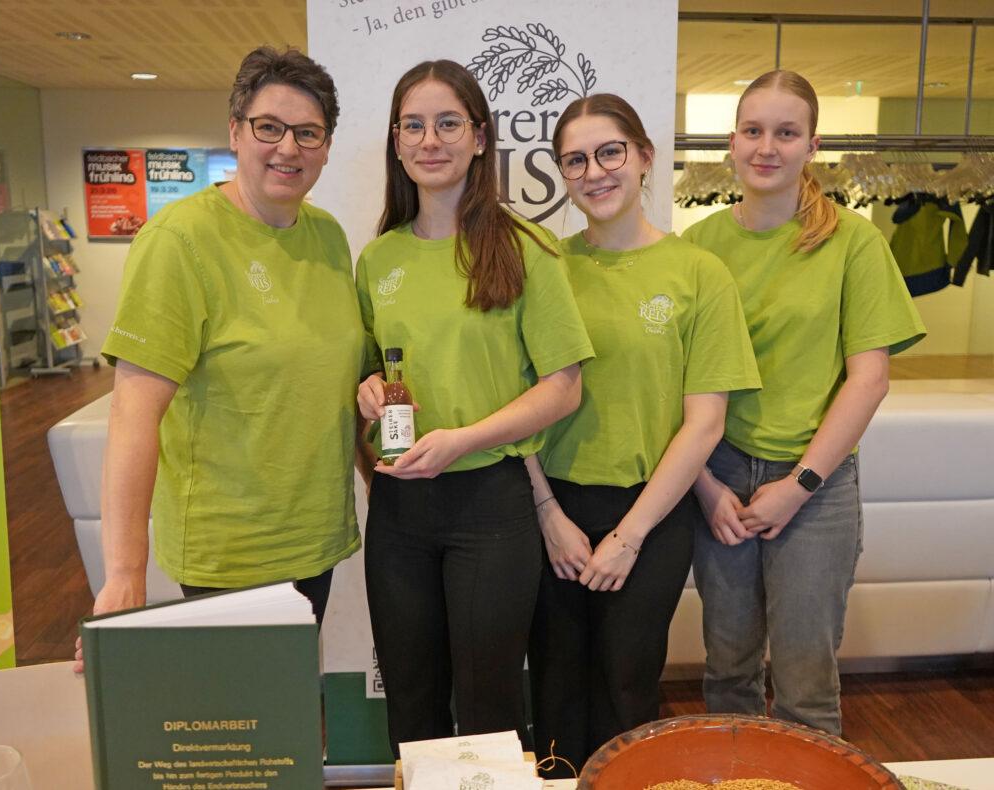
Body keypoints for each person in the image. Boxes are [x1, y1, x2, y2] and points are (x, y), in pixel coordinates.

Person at [77, 47, 364, 669]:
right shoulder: (180, 240)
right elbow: (132, 415)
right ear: (235, 132)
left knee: (290, 705)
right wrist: (123, 574)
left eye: (308, 132)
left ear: (325, 147)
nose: (287, 147)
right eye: (269, 127)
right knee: (247, 720)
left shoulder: (327, 237)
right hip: (230, 554)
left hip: (314, 538)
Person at [354, 59, 594, 755]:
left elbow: (564, 386)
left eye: (448, 123)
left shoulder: (525, 250)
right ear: (397, 141)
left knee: (490, 707)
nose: (430, 140)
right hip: (399, 511)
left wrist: (465, 439)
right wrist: (367, 390)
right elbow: (373, 370)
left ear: (481, 137)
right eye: (413, 125)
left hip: (491, 506)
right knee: (412, 702)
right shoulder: (378, 259)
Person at [682, 70, 926, 736]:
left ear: (812, 145)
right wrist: (704, 487)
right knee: (727, 673)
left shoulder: (853, 242)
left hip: (816, 486)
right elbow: (673, 387)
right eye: (753, 131)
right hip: (718, 479)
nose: (767, 147)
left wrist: (798, 486)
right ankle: (739, 781)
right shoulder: (696, 249)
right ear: (732, 141)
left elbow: (868, 381)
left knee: (805, 688)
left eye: (786, 133)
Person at [524, 94, 761, 775]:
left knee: (627, 686)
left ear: (644, 157)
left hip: (653, 512)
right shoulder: (543, 265)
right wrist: (548, 515)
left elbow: (705, 420)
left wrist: (629, 535)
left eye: (610, 152)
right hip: (551, 508)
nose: (594, 172)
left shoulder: (698, 273)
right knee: (554, 688)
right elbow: (516, 401)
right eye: (575, 160)